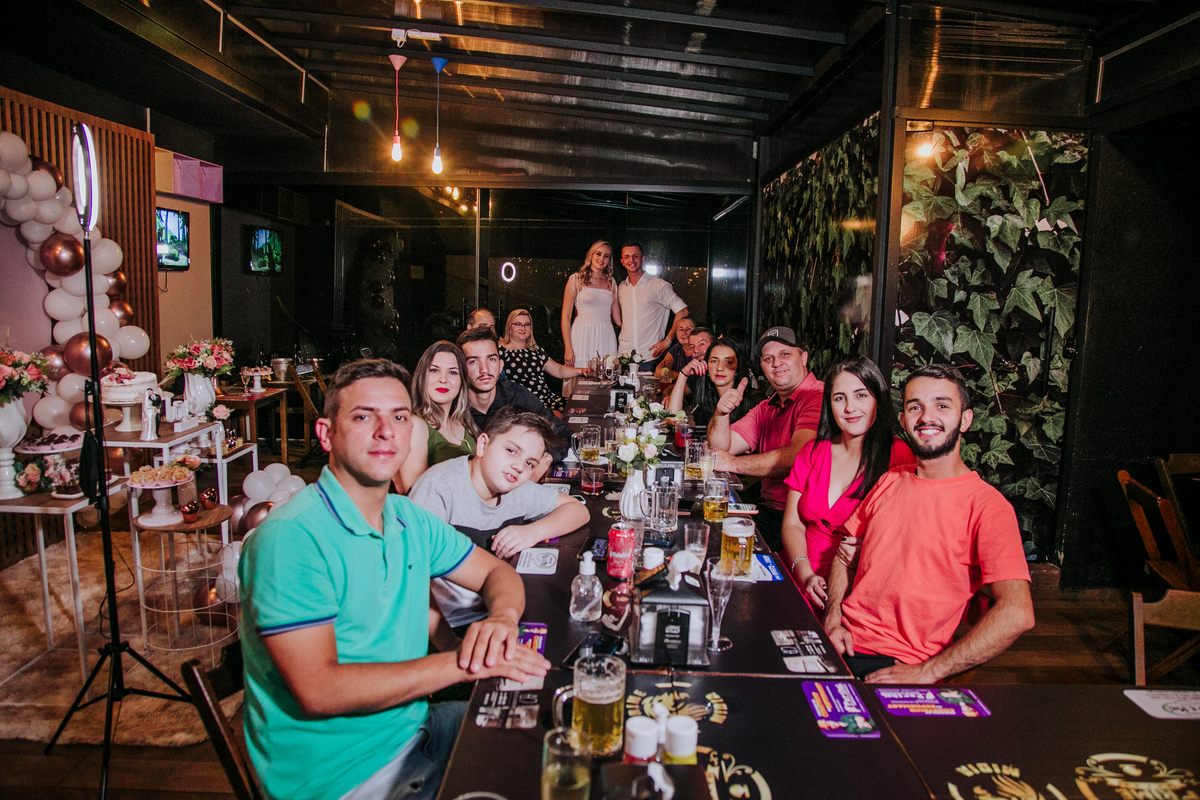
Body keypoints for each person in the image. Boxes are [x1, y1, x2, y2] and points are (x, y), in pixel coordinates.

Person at [238, 359, 549, 800]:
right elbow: (319, 691)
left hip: (414, 728)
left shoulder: (406, 518)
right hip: (342, 776)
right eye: (364, 416)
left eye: (400, 417)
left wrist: (502, 617)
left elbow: (496, 572)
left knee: (557, 740)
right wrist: (467, 662)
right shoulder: (290, 538)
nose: (386, 431)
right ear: (326, 434)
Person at [822, 363, 1035, 683]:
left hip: (895, 664)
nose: (926, 417)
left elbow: (1018, 612)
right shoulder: (891, 479)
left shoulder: (987, 506)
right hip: (838, 642)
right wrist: (832, 617)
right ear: (904, 420)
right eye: (915, 407)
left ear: (965, 420)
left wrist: (929, 671)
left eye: (942, 405)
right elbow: (843, 556)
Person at [410, 406, 590, 628]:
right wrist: (449, 643)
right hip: (448, 624)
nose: (519, 466)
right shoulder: (437, 488)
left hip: (500, 609)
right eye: (511, 451)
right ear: (483, 445)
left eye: (530, 463)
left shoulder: (517, 486)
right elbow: (412, 585)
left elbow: (578, 510)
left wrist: (532, 532)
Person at [779, 358, 915, 612]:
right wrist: (805, 573)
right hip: (798, 574)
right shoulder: (813, 450)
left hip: (856, 589)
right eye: (839, 398)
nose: (850, 407)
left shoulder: (899, 456)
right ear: (829, 405)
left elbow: (906, 538)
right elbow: (792, 524)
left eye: (861, 395)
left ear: (878, 400)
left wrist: (873, 549)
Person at [706, 326, 824, 550]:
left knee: (712, 543)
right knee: (703, 531)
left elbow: (798, 457)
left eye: (785, 354)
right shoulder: (766, 407)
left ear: (804, 357)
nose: (776, 363)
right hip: (769, 510)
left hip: (801, 521)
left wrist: (733, 463)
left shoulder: (817, 396)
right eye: (768, 358)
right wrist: (721, 413)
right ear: (761, 366)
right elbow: (720, 448)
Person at [457, 326, 571, 466]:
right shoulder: (452, 408)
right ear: (461, 369)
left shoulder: (517, 396)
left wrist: (543, 461)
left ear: (500, 365)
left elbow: (565, 436)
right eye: (473, 361)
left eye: (491, 359)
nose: (484, 369)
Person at [393, 341, 479, 493]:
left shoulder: (467, 424)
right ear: (422, 376)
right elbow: (418, 495)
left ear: (462, 380)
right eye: (434, 370)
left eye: (453, 372)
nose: (443, 379)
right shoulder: (415, 425)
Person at [500, 308, 586, 416]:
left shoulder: (536, 350)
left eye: (527, 324)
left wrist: (582, 371)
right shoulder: (500, 352)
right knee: (557, 416)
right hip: (521, 404)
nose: (523, 328)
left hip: (547, 399)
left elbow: (559, 370)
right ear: (509, 326)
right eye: (518, 324)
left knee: (580, 408)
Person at [616, 241, 688, 368]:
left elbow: (683, 311)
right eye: (627, 257)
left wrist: (668, 340)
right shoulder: (621, 288)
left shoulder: (658, 286)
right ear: (622, 261)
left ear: (642, 259)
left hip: (649, 358)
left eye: (635, 256)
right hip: (624, 357)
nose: (631, 260)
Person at [561, 239, 621, 372]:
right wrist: (568, 348)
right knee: (579, 374)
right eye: (598, 254)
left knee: (605, 375)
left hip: (606, 335)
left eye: (606, 256)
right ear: (591, 255)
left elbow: (618, 320)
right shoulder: (576, 279)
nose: (601, 259)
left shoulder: (612, 283)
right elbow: (566, 316)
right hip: (582, 335)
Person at [667, 340, 756, 428]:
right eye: (714, 361)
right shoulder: (703, 397)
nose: (720, 368)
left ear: (737, 368)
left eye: (728, 362)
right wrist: (683, 375)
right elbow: (672, 419)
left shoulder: (753, 402)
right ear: (706, 366)